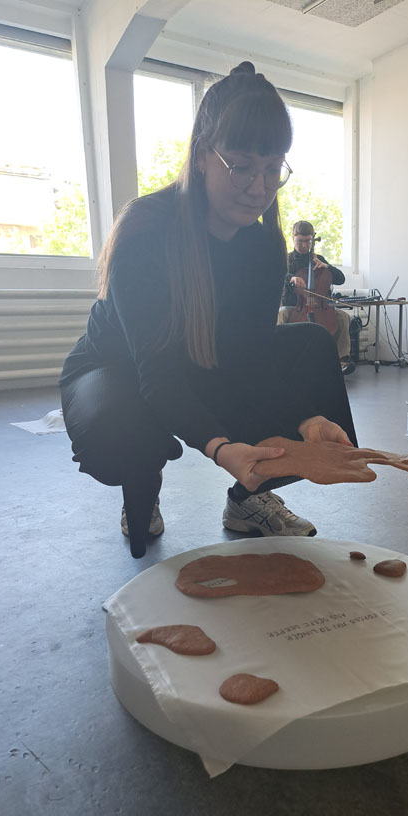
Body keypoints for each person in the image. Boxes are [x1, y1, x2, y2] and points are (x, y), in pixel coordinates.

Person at [59, 61, 357, 550]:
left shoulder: (265, 246)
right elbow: (156, 369)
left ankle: (248, 499)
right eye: (241, 166)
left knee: (312, 348)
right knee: (122, 434)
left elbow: (251, 359)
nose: (259, 187)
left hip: (203, 362)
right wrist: (220, 447)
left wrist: (306, 419)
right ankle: (141, 478)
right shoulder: (146, 230)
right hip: (118, 368)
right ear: (202, 156)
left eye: (272, 169)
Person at [281, 220, 355, 375]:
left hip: (319, 307)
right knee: (280, 315)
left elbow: (340, 279)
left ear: (312, 240)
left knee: (343, 317)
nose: (304, 245)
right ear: (293, 238)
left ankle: (341, 359)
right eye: (300, 241)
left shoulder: (318, 259)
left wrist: (326, 266)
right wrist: (291, 278)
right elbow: (277, 276)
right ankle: (279, 358)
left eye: (308, 241)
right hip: (294, 306)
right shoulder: (287, 260)